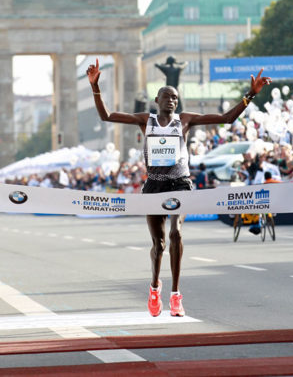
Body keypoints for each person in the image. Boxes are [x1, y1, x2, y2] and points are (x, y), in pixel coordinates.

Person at [87, 58, 271, 317]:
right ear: (156, 101)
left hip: (181, 184)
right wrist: (95, 87)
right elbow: (106, 116)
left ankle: (175, 294)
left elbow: (226, 118)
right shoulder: (145, 120)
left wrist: (250, 93)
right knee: (158, 244)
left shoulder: (185, 120)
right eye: (167, 97)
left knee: (176, 234)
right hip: (154, 186)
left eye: (175, 97)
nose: (172, 100)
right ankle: (154, 287)